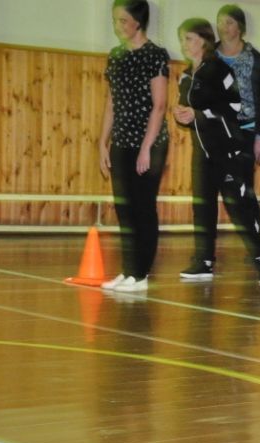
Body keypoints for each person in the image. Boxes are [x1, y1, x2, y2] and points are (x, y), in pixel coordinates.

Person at [173, 18, 260, 284]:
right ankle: (204, 260)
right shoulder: (185, 76)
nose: (184, 44)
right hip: (202, 151)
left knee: (237, 207)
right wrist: (182, 114)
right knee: (203, 206)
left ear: (203, 40)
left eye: (189, 38)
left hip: (228, 150)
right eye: (182, 39)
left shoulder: (219, 70)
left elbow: (234, 108)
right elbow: (188, 112)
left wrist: (200, 114)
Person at [98, 0, 169, 292]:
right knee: (124, 209)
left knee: (142, 208)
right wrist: (102, 142)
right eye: (115, 21)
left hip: (150, 142)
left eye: (123, 21)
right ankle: (128, 271)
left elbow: (160, 105)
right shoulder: (115, 56)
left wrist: (146, 148)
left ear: (138, 22)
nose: (118, 27)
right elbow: (111, 103)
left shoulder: (155, 55)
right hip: (122, 141)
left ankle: (140, 275)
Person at [215, 6, 260, 170]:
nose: (223, 27)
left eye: (229, 22)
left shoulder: (254, 58)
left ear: (240, 27)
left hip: (245, 130)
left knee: (241, 186)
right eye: (220, 22)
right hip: (214, 129)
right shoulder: (210, 55)